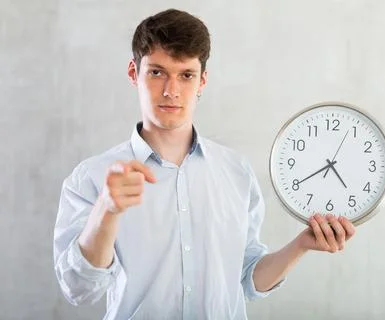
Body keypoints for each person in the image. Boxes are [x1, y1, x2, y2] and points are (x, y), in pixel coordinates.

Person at [53, 8, 356, 320]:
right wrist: (106, 210)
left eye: (186, 75)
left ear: (202, 81)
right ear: (134, 73)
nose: (171, 91)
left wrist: (302, 244)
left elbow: (246, 279)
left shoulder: (236, 171)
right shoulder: (91, 178)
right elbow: (78, 289)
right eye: (157, 72)